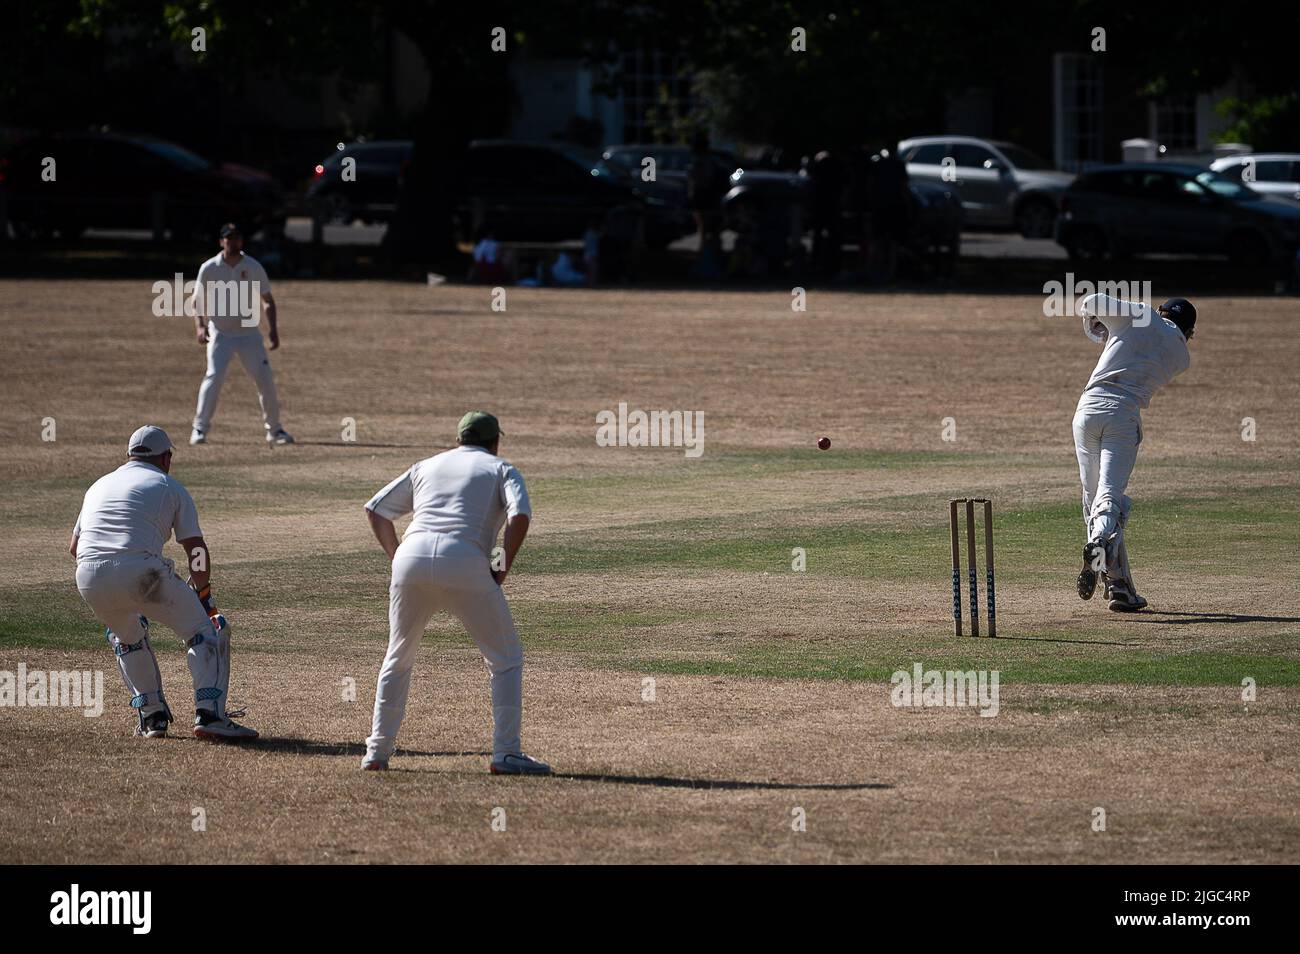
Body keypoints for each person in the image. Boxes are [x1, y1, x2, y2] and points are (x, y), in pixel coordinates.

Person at [361, 411, 548, 775]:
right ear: (494, 442)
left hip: (410, 559)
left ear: (459, 439)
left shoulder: (426, 465)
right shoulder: (500, 467)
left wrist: (398, 559)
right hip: (466, 561)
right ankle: (506, 753)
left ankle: (376, 753)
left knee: (397, 658)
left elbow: (376, 510)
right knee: (505, 659)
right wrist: (501, 564)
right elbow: (520, 516)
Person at [70, 425, 258, 740]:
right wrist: (202, 590)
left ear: (129, 456)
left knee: (127, 637)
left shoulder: (98, 485)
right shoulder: (168, 486)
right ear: (166, 457)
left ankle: (152, 717)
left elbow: (74, 548)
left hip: (88, 575)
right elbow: (195, 549)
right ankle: (210, 714)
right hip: (143, 573)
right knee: (206, 631)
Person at [1073, 295, 1196, 611]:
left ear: (1161, 311)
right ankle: (1101, 544)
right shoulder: (1181, 356)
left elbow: (1091, 300)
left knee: (1094, 500)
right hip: (1123, 416)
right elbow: (1140, 348)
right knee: (1109, 498)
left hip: (1088, 411)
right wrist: (1112, 332)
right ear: (1190, 332)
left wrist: (1098, 326)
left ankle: (1120, 588)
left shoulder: (1142, 315)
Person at [190, 223, 294, 446]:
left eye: (237, 238)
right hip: (221, 334)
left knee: (265, 380)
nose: (233, 242)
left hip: (249, 335)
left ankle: (275, 430)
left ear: (242, 241)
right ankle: (199, 428)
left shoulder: (253, 266)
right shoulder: (209, 268)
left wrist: (273, 330)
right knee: (214, 377)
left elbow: (267, 300)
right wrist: (200, 326)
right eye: (229, 238)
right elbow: (197, 300)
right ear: (221, 242)